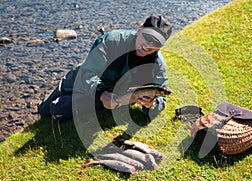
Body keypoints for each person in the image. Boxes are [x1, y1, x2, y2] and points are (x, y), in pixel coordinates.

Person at [37, 14, 173, 122]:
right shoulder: (111, 41)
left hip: (113, 96)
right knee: (43, 110)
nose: (149, 45)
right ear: (140, 28)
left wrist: (151, 105)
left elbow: (161, 100)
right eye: (147, 36)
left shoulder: (157, 65)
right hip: (85, 77)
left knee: (57, 110)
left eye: (156, 42)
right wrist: (103, 94)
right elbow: (89, 73)